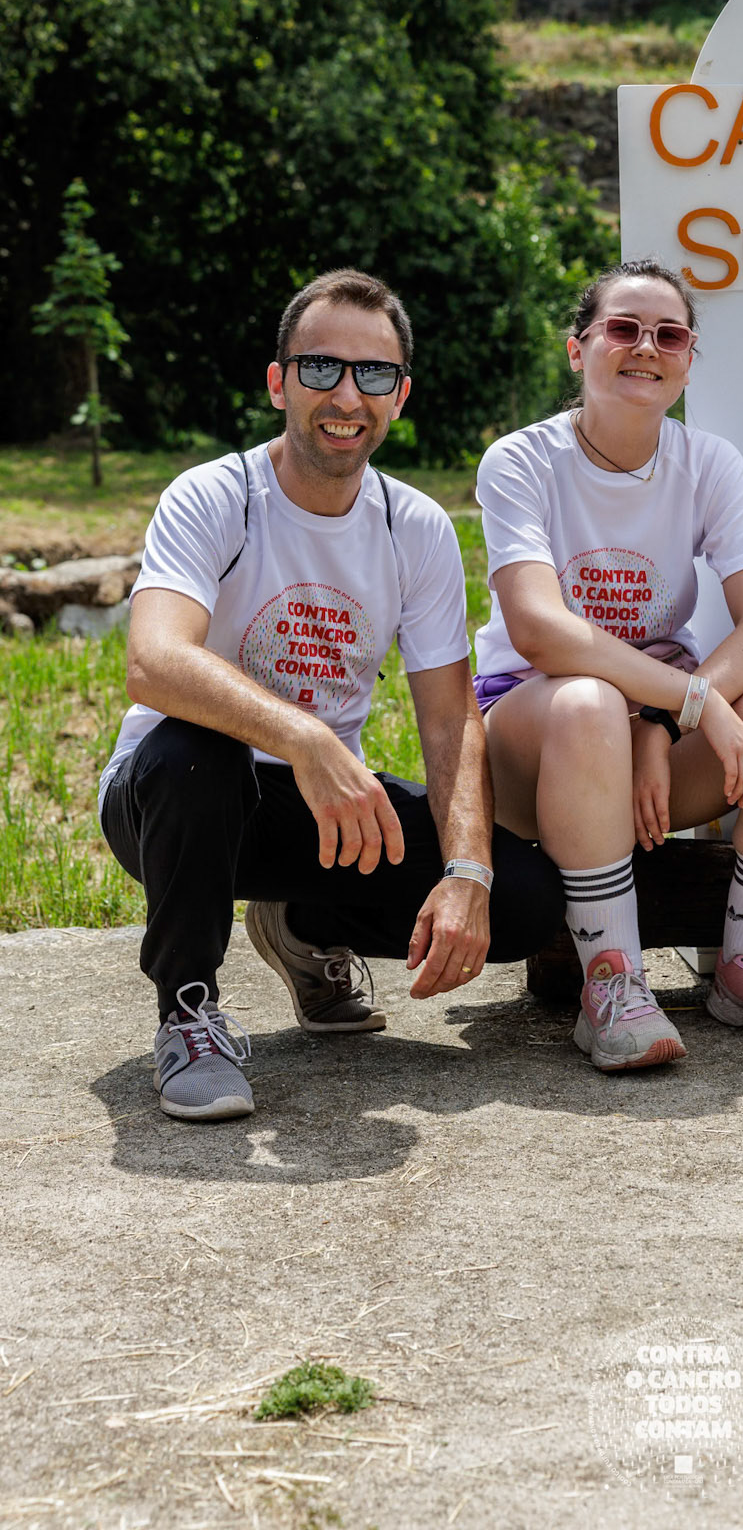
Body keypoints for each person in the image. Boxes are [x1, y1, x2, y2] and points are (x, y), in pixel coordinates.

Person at [99, 268, 562, 1122]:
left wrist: (467, 873)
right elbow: (153, 662)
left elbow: (450, 719)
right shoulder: (216, 495)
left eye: (373, 374)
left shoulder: (414, 526)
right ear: (279, 383)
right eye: (321, 368)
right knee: (197, 750)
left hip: (314, 809)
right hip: (169, 800)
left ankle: (305, 927)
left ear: (399, 397)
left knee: (524, 897)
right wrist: (306, 738)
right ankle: (189, 1014)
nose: (347, 396)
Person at [474, 258, 743, 1072]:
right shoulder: (520, 461)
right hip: (537, 740)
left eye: (668, 335)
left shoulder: (708, 463)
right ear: (578, 349)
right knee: (586, 705)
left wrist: (664, 719)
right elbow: (540, 632)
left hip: (653, 732)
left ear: (687, 359)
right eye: (623, 328)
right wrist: (688, 704)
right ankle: (613, 984)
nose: (646, 347)